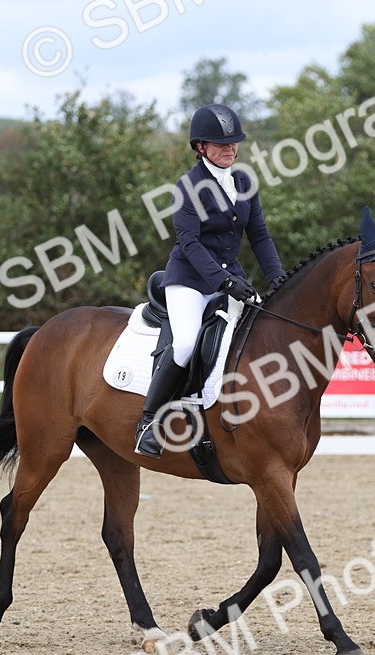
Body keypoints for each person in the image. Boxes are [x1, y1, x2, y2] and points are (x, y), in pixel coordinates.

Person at [135, 103, 288, 458]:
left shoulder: (244, 181)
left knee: (256, 334)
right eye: (221, 144)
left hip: (230, 276)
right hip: (188, 280)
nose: (230, 149)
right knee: (186, 344)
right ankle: (148, 421)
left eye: (234, 142)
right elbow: (189, 243)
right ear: (201, 147)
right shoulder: (188, 187)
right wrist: (224, 282)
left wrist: (278, 277)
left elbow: (260, 236)